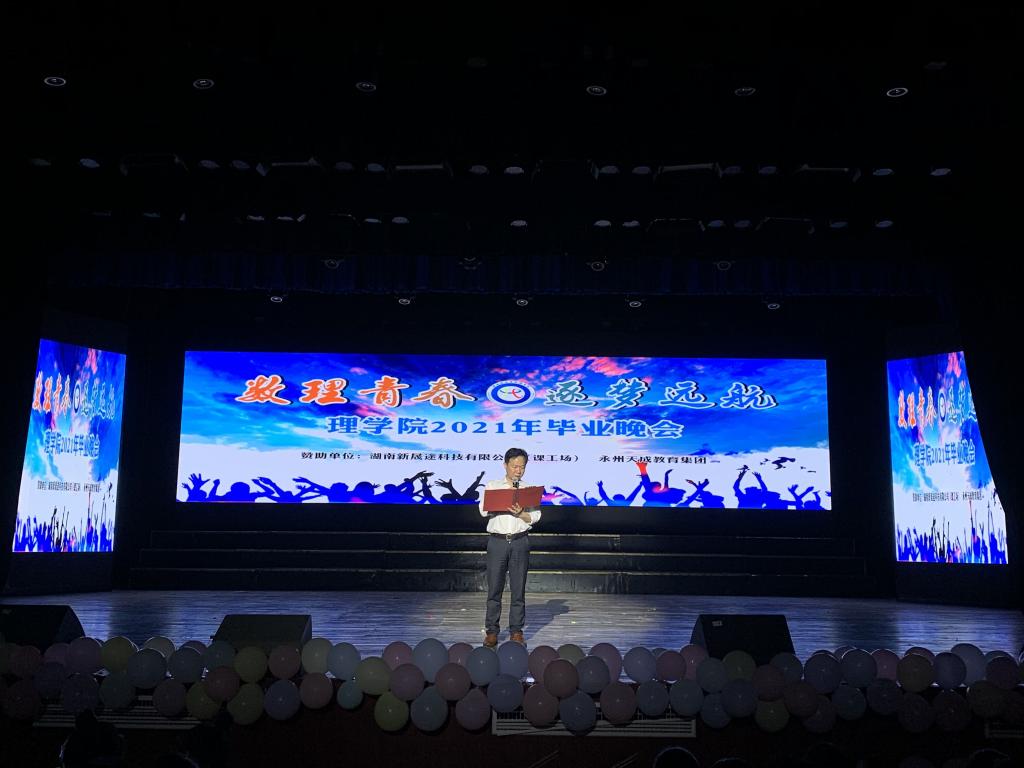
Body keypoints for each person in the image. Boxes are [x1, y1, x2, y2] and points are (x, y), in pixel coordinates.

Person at [479, 447, 541, 648]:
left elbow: (536, 516)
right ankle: (491, 631)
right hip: (497, 541)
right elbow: (482, 510)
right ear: (505, 465)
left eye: (522, 467)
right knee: (494, 589)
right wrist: (500, 502)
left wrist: (521, 513)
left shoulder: (528, 489)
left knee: (518, 589)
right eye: (514, 466)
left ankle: (516, 631)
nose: (518, 470)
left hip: (519, 541)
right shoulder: (493, 485)